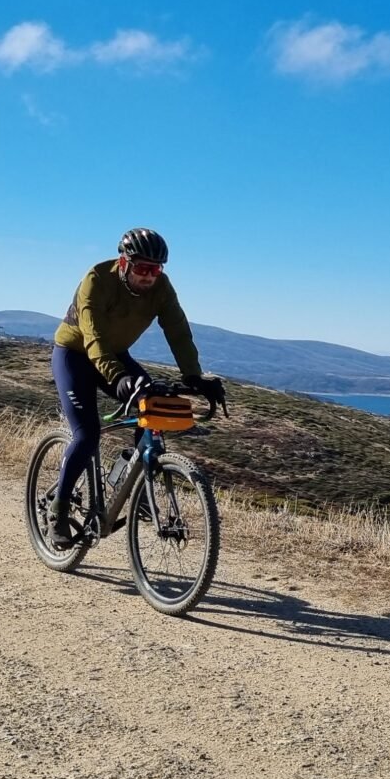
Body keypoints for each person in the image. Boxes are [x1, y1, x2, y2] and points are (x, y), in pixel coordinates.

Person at [46, 227, 225, 548]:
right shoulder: (97, 280)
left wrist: (194, 377)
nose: (148, 276)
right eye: (142, 268)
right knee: (87, 435)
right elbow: (94, 338)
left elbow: (178, 330)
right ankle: (57, 512)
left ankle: (136, 484)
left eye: (155, 270)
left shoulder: (162, 288)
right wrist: (118, 378)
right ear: (123, 262)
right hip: (75, 354)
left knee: (152, 406)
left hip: (115, 355)